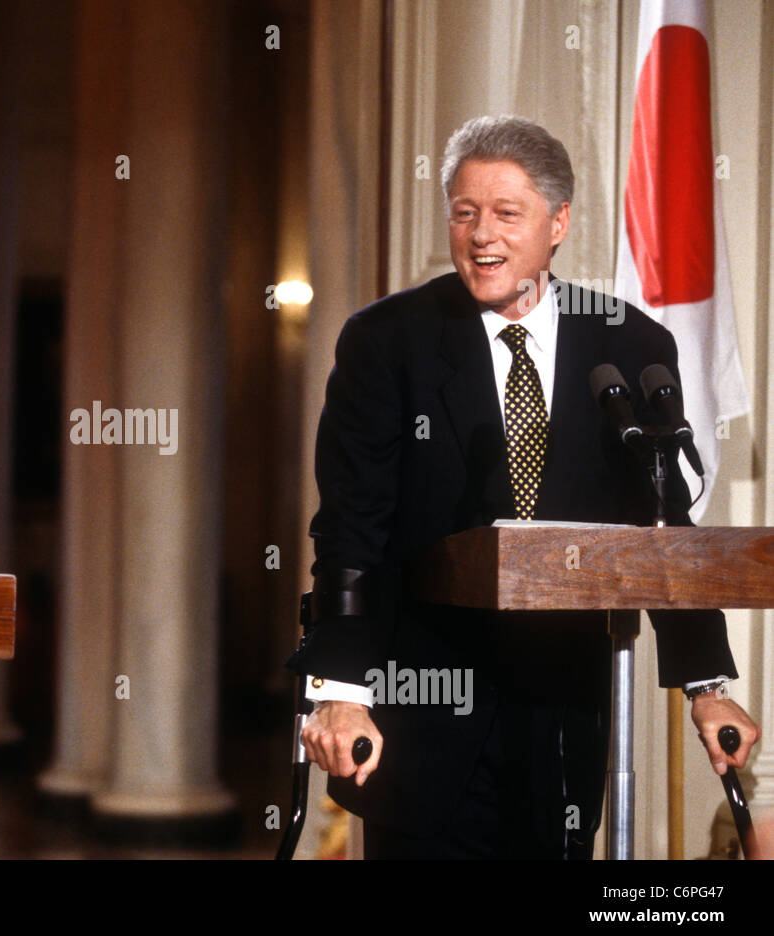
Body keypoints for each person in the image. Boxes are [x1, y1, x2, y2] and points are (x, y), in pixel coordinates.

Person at [290, 116, 761, 859]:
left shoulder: (630, 345)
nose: (483, 235)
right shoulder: (387, 342)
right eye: (464, 212)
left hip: (562, 722)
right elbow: (352, 528)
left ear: (558, 223)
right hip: (419, 714)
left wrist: (706, 685)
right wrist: (341, 690)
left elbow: (664, 524)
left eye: (507, 214)